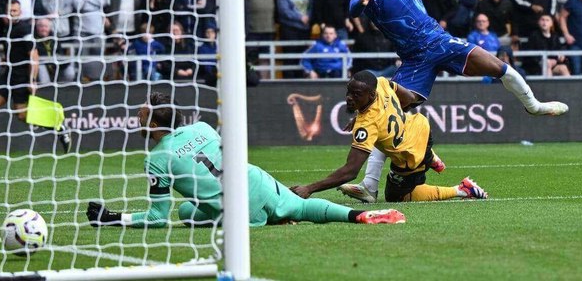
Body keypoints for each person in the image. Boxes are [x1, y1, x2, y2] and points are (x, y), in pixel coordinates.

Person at [86, 92, 406, 228]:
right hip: (255, 178)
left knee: (185, 211)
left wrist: (114, 218)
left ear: (154, 125)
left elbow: (158, 218)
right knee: (304, 207)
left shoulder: (156, 159)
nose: (137, 117)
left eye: (142, 114)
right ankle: (359, 217)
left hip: (238, 208)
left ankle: (270, 217)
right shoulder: (201, 126)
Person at [349, 0, 567, 116]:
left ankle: (534, 106)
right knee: (389, 113)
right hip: (414, 58)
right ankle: (381, 165)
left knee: (502, 68)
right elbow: (352, 10)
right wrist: (362, 4)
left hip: (440, 42)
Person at [290, 71, 488, 203]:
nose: (350, 97)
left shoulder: (367, 124)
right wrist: (378, 114)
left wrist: (310, 188)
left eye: (356, 94)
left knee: (397, 197)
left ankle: (462, 189)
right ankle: (372, 186)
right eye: (348, 91)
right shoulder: (383, 83)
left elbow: (350, 171)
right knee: (379, 141)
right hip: (419, 125)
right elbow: (410, 99)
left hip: (411, 156)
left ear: (370, 94)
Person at [0, 1, 70, 155]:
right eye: (10, 10)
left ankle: (59, 128)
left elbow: (33, 55)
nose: (12, 13)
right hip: (8, 73)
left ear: (20, 12)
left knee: (22, 115)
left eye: (15, 10)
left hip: (21, 76)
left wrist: (32, 80)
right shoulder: (4, 27)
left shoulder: (24, 29)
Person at [558, 0, 582, 75]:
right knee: (577, 72)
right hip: (576, 44)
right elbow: (562, 17)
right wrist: (566, 34)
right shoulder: (572, 2)